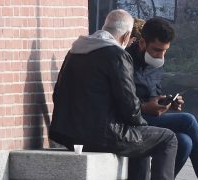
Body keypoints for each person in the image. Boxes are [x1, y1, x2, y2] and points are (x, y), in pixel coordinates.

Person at [48, 9, 177, 180]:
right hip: (101, 135)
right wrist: (141, 122)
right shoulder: (118, 55)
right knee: (168, 138)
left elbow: (57, 95)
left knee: (142, 139)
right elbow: (130, 108)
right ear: (125, 37)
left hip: (66, 132)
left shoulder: (74, 52)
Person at [126, 18, 198, 180]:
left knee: (185, 141)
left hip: (151, 117)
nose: (160, 55)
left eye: (164, 51)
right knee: (188, 120)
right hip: (132, 120)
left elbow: (155, 95)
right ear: (142, 43)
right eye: (156, 50)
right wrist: (146, 106)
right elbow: (123, 101)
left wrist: (167, 102)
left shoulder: (156, 65)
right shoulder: (125, 62)